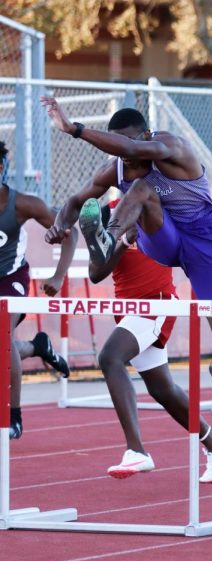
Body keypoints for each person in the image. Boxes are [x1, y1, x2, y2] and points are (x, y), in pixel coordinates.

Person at [39, 99, 212, 418]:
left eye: (130, 148)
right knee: (141, 191)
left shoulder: (171, 146)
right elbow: (75, 201)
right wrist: (61, 224)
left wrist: (75, 129)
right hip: (161, 240)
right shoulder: (117, 169)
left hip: (203, 240)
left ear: (146, 136)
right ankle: (109, 237)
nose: (125, 158)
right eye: (120, 153)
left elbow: (130, 146)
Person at [81, 200, 212, 480]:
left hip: (157, 304)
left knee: (109, 358)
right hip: (128, 313)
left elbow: (199, 253)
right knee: (162, 389)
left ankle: (136, 451)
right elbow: (95, 273)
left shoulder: (161, 211)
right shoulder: (107, 213)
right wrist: (124, 240)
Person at [0, 141, 78, 439]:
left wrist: (59, 276)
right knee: (2, 346)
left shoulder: (24, 204)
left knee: (1, 337)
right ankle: (37, 347)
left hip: (12, 279)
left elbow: (70, 232)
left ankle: (13, 416)